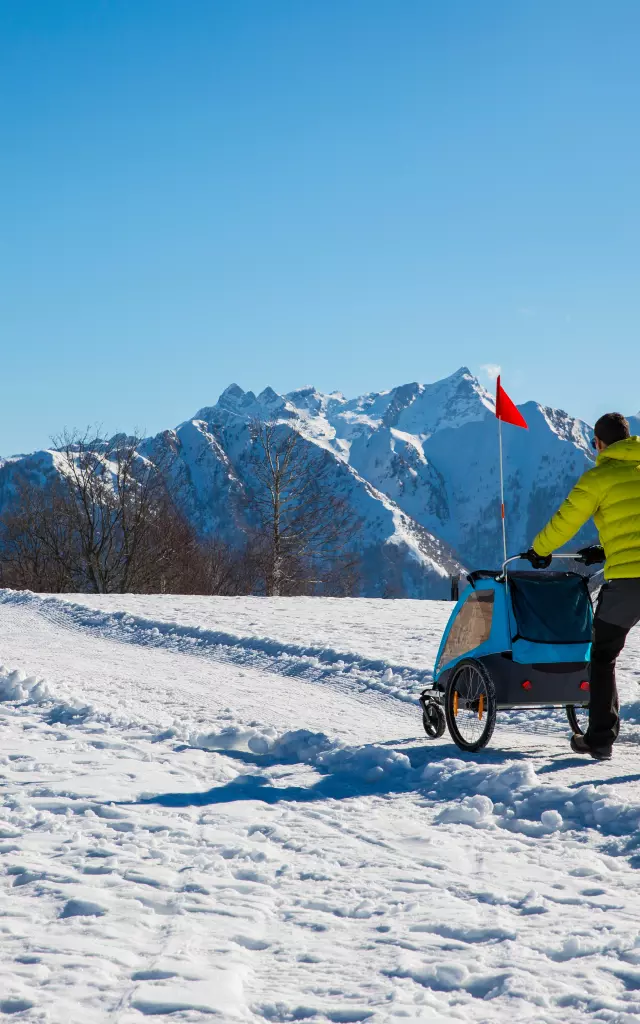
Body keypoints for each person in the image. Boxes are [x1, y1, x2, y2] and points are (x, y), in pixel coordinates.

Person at [526, 412, 640, 761]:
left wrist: (539, 550)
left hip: (628, 583)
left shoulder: (598, 478)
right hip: (624, 566)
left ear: (598, 443)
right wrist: (605, 549)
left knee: (603, 655)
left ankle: (600, 739)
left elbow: (566, 519)